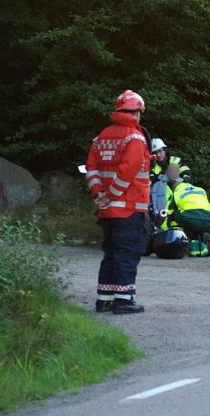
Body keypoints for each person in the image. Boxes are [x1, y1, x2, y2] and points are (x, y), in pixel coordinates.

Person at [85, 89, 151, 314]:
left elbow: (91, 169)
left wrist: (98, 194)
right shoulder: (134, 138)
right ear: (137, 113)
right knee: (127, 253)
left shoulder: (101, 137)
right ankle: (123, 300)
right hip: (129, 207)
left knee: (111, 253)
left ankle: (104, 299)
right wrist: (111, 195)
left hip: (106, 210)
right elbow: (127, 172)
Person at [162, 166, 210, 254]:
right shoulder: (201, 190)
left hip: (190, 220)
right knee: (201, 214)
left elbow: (169, 211)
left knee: (174, 212)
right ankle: (205, 238)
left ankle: (178, 234)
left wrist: (166, 228)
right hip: (208, 221)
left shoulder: (177, 192)